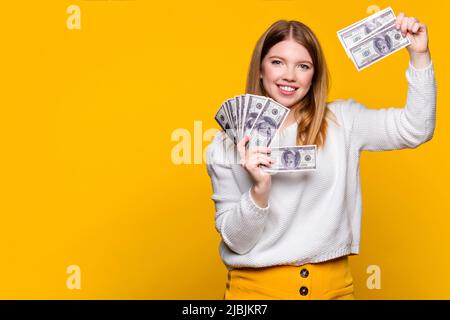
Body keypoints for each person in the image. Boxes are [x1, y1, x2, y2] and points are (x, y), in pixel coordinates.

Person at [205, 12, 435, 300]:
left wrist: (419, 56)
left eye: (303, 66)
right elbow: (237, 242)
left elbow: (416, 129)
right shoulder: (224, 146)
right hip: (256, 294)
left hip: (335, 290)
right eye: (277, 62)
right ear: (260, 69)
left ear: (313, 75)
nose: (289, 75)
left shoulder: (343, 121)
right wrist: (259, 190)